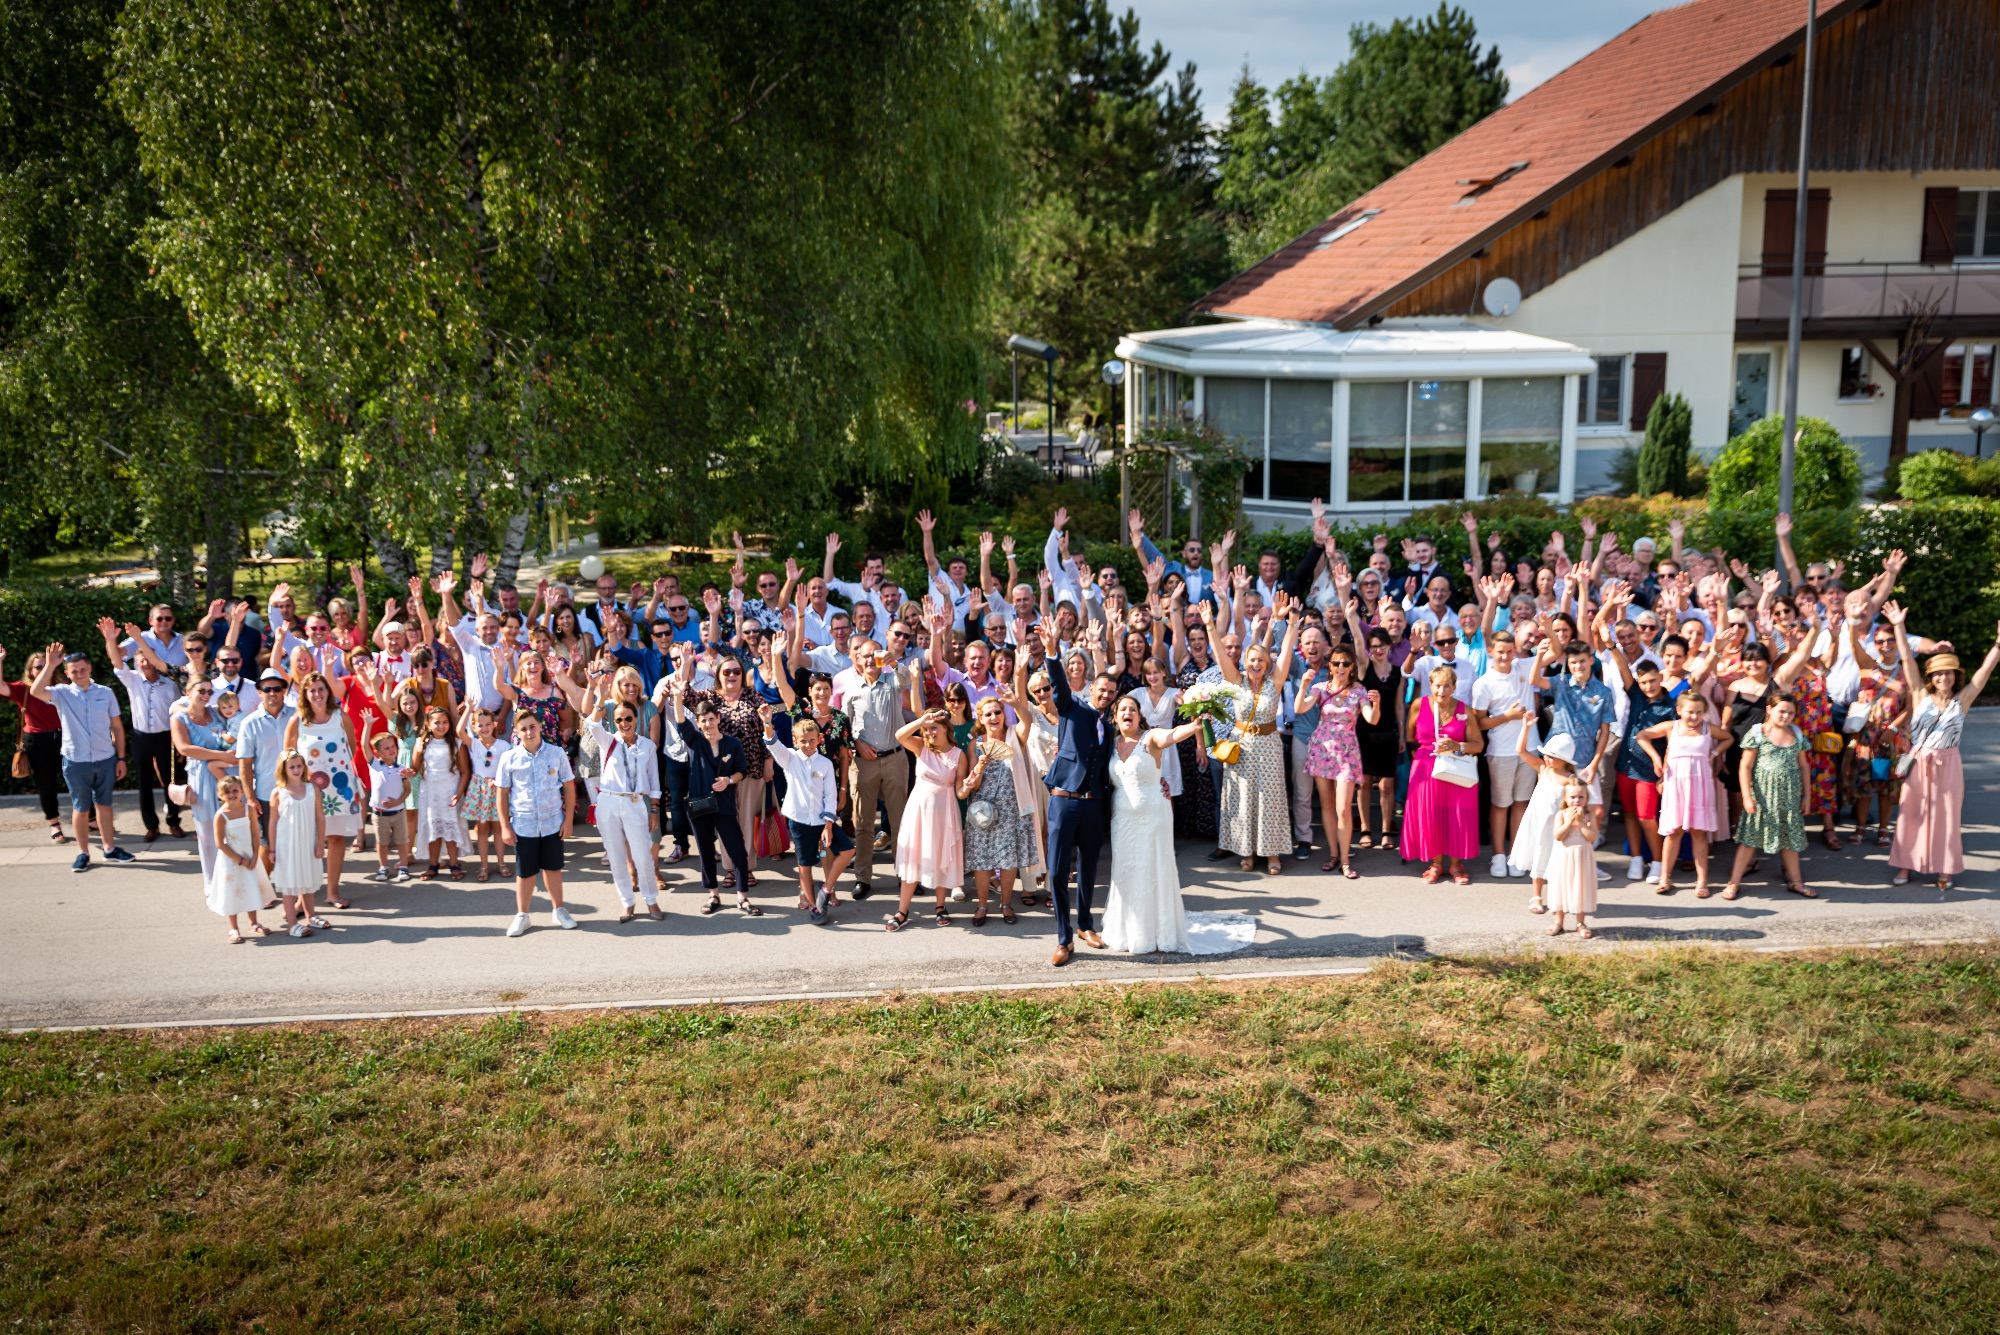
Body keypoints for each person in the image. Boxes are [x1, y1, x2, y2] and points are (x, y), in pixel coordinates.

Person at [1883, 606, 1999, 891]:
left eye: (1948, 674)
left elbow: (1983, 674)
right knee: (1910, 813)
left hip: (1948, 763)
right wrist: (1898, 625)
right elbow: (1908, 660)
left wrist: (1998, 645)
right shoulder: (1920, 694)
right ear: (1931, 676)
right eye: (1937, 674)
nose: (1942, 678)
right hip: (1919, 761)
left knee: (1946, 817)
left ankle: (1945, 869)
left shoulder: (1963, 700)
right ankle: (1905, 864)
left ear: (1955, 676)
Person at [1035, 619, 1119, 967]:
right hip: (1064, 800)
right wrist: (1052, 650)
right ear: (1092, 691)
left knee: (1088, 869)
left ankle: (1085, 924)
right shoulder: (1072, 709)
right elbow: (1057, 684)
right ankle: (1063, 938)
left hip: (1095, 805)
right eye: (1102, 691)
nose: (1106, 697)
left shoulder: (1111, 728)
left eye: (1111, 694)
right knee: (1056, 872)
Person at [1099, 694, 1206, 954]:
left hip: (1153, 817)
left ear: (1139, 716)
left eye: (1133, 709)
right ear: (1115, 718)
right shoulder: (1110, 744)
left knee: (1152, 870)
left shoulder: (1151, 738)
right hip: (1122, 821)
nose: (1128, 713)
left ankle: (1159, 933)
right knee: (1126, 872)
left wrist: (1193, 727)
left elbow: (1172, 735)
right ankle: (1127, 931)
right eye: (1123, 709)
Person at [1208, 598, 1301, 875]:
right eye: (1252, 660)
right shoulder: (1235, 681)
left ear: (1266, 663)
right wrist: (1211, 627)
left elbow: (1285, 651)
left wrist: (1292, 622)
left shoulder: (1276, 680)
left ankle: (1272, 853)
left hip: (1270, 745)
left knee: (1270, 798)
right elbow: (1220, 655)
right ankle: (1246, 851)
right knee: (1244, 798)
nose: (1256, 663)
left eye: (1261, 660)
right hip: (1242, 746)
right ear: (1245, 663)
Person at [29, 643, 137, 873]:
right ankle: (83, 853)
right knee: (80, 808)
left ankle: (110, 848)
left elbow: (117, 727)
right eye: (74, 671)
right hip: (76, 761)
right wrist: (50, 665)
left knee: (105, 806)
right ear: (67, 674)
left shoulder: (105, 693)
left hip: (106, 759)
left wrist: (121, 758)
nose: (79, 674)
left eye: (83, 669)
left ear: (90, 669)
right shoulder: (61, 693)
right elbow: (36, 692)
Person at [884, 694, 967, 931]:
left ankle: (940, 907)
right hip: (919, 811)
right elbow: (900, 735)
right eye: (927, 728)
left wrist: (970, 783)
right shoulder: (921, 748)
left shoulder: (958, 755)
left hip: (945, 811)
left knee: (941, 857)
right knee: (914, 858)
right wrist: (922, 720)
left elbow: (960, 791)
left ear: (945, 729)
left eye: (934, 728)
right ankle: (902, 911)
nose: (929, 732)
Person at [761, 703, 850, 924]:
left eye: (812, 740)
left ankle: (826, 890)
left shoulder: (826, 764)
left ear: (819, 740)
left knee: (847, 850)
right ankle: (815, 907)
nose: (808, 745)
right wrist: (767, 722)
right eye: (803, 741)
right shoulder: (789, 758)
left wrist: (829, 825)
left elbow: (830, 797)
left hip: (821, 822)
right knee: (805, 864)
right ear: (795, 741)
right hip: (800, 822)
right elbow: (773, 744)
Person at [282, 672, 364, 907]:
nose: (317, 694)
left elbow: (351, 746)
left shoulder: (341, 717)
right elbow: (287, 757)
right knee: (307, 843)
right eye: (312, 690)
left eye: (321, 689)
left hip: (339, 789)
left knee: (336, 839)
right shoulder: (297, 721)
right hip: (308, 791)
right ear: (305, 695)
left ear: (328, 692)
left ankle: (332, 893)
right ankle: (301, 899)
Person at [1296, 645, 1378, 877]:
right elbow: (1299, 708)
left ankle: (1344, 860)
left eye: (1345, 663)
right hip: (1322, 748)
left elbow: (1371, 718)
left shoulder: (1359, 690)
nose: (1340, 667)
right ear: (1329, 666)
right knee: (1327, 805)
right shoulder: (1320, 687)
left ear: (1352, 667)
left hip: (1347, 752)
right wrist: (1303, 686)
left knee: (1343, 808)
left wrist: (1377, 703)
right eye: (1336, 663)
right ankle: (1333, 854)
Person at [1722, 694, 1813, 901]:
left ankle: (1796, 881)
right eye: (1782, 711)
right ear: (1769, 709)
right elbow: (1745, 766)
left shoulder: (1796, 734)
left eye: (1791, 712)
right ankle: (1734, 882)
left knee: (1789, 840)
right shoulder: (1758, 733)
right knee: (1749, 840)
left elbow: (1804, 766)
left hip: (1788, 798)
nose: (1786, 716)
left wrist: (1807, 795)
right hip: (1762, 797)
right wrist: (1746, 796)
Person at [495, 707, 577, 935]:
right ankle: (522, 915)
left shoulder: (556, 753)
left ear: (540, 727)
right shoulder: (509, 758)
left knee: (553, 868)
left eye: (533, 727)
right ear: (516, 732)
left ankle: (559, 909)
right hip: (524, 825)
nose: (529, 732)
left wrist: (568, 819)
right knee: (525, 872)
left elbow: (569, 787)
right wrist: (505, 826)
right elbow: (501, 794)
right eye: (523, 729)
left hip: (553, 823)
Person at [674, 690, 757, 916]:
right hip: (699, 804)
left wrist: (728, 780)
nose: (708, 723)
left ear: (718, 719)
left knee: (737, 850)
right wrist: (678, 697)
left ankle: (743, 897)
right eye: (704, 721)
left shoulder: (733, 744)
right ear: (698, 724)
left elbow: (742, 771)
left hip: (724, 803)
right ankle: (713, 895)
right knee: (705, 850)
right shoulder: (696, 742)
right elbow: (680, 720)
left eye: (712, 719)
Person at [1638, 692, 1728, 897]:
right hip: (1676, 783)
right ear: (1679, 711)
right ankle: (1665, 878)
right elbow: (1642, 735)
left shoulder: (1707, 728)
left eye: (1699, 712)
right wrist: (1656, 759)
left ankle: (1702, 881)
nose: (1694, 716)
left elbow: (1728, 737)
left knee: (1698, 832)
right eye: (1690, 712)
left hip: (1699, 785)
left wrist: (1714, 754)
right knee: (1674, 832)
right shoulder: (1672, 727)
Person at [588, 698, 671, 922]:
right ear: (614, 723)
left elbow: (654, 782)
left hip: (635, 803)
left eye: (628, 718)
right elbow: (593, 725)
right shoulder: (609, 741)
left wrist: (654, 810)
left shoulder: (647, 746)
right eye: (619, 720)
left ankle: (651, 900)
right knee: (616, 856)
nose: (624, 723)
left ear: (636, 719)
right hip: (609, 801)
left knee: (643, 855)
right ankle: (627, 902)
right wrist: (599, 697)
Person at [105, 617, 187, 841]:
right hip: (141, 737)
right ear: (136, 663)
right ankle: (151, 825)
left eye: (147, 660)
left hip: (165, 737)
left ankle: (173, 821)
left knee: (171, 780)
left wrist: (180, 742)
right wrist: (110, 639)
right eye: (140, 661)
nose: (144, 664)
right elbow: (115, 660)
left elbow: (180, 713)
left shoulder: (170, 684)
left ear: (155, 660)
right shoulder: (131, 680)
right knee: (143, 783)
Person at [841, 637, 911, 899]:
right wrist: (857, 743)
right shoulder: (851, 690)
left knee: (899, 822)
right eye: (865, 656)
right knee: (864, 824)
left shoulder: (892, 681)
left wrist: (895, 664)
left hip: (894, 758)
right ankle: (863, 878)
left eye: (875, 655)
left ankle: (905, 875)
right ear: (857, 660)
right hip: (864, 762)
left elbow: (907, 680)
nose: (870, 659)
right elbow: (844, 727)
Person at [959, 695, 1039, 925]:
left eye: (998, 712)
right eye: (989, 714)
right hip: (982, 811)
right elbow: (971, 782)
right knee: (981, 861)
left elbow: (1028, 720)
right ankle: (982, 905)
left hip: (1011, 809)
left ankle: (1006, 904)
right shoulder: (976, 744)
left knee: (1008, 860)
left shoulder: (1014, 736)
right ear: (981, 719)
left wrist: (1015, 703)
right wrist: (980, 767)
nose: (994, 717)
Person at [1402, 664, 1485, 884]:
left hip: (1456, 768)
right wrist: (1421, 761)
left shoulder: (1464, 710)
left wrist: (1456, 746)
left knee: (1456, 816)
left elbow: (1478, 744)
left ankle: (1456, 865)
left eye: (1447, 686)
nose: (1442, 691)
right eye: (1438, 686)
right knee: (1432, 816)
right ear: (1430, 685)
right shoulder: (1419, 705)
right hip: (1425, 769)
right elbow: (1411, 736)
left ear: (1454, 687)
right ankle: (1436, 863)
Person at [1470, 629, 1537, 879]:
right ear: (1491, 652)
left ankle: (1515, 855)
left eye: (1510, 652)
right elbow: (1479, 722)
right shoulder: (1483, 683)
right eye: (1501, 652)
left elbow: (1554, 652)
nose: (1506, 657)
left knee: (1521, 803)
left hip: (1528, 750)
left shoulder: (1522, 667)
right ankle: (1498, 855)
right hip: (1500, 752)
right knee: (1500, 804)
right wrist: (1507, 717)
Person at [169, 677, 238, 881]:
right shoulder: (179, 718)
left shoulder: (217, 712)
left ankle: (235, 876)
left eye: (209, 692)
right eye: (202, 691)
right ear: (189, 691)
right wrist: (221, 756)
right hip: (201, 776)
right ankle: (213, 880)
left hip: (225, 773)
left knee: (231, 824)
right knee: (207, 829)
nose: (206, 696)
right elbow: (184, 748)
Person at [0, 645, 68, 843]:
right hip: (38, 742)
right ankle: (54, 824)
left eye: (45, 666)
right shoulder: (23, 689)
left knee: (79, 778)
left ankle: (89, 819)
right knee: (46, 785)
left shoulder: (61, 687)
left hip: (65, 738)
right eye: (37, 667)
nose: (41, 670)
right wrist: (1, 661)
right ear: (30, 671)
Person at [1508, 732, 1580, 914]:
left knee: (1556, 859)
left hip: (1555, 826)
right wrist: (1526, 728)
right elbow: (1521, 751)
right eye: (1546, 755)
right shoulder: (1543, 770)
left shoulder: (1570, 780)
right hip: (1537, 821)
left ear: (1564, 760)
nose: (1547, 759)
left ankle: (1559, 896)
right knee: (1538, 854)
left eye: (1553, 757)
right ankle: (1537, 896)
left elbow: (1576, 802)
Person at [205, 775, 274, 943]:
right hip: (232, 860)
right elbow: (220, 843)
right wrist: (239, 860)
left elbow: (255, 834)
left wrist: (255, 855)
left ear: (242, 791)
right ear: (220, 795)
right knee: (232, 891)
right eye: (227, 792)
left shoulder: (248, 809)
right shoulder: (221, 815)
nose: (232, 794)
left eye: (235, 791)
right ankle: (233, 928)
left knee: (251, 887)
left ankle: (254, 922)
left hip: (250, 856)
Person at [267, 750, 327, 938]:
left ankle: (311, 916)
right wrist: (272, 848)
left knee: (307, 880)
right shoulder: (278, 792)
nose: (296, 770)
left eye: (299, 766)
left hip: (307, 842)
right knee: (289, 883)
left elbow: (320, 817)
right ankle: (292, 924)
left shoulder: (312, 789)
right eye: (291, 767)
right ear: (283, 769)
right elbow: (273, 822)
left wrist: (320, 843)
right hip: (287, 845)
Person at [410, 706, 468, 880]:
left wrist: (459, 793)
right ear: (428, 724)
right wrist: (409, 772)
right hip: (430, 792)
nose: (441, 726)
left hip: (450, 791)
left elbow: (465, 771)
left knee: (450, 828)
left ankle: (454, 864)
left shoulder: (457, 744)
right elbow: (415, 767)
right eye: (437, 722)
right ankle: (433, 865)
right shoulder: (421, 743)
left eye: (445, 722)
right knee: (433, 827)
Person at [458, 706, 510, 882]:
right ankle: (484, 866)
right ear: (473, 727)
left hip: (497, 789)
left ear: (495, 724)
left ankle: (501, 863)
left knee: (498, 827)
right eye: (480, 725)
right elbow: (459, 730)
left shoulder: (504, 746)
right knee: (482, 829)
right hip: (479, 790)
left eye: (488, 724)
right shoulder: (474, 744)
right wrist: (469, 710)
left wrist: (498, 781)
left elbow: (508, 769)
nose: (485, 728)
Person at [1542, 779, 1599, 940]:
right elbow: (1558, 836)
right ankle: (1559, 921)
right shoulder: (1561, 814)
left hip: (1582, 858)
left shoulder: (1589, 816)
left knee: (1580, 888)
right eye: (1572, 797)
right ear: (1565, 798)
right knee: (1561, 887)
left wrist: (1581, 823)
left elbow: (1591, 837)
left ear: (1587, 798)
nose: (1576, 801)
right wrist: (1568, 822)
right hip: (1564, 857)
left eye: (1581, 797)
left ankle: (1580, 923)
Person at [364, 732, 414, 882]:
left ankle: (404, 867)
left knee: (402, 841)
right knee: (382, 842)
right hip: (379, 815)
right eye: (386, 748)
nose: (392, 750)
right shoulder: (375, 764)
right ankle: (383, 867)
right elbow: (363, 745)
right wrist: (368, 725)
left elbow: (407, 790)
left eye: (393, 746)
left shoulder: (402, 768)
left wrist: (398, 802)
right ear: (378, 753)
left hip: (398, 812)